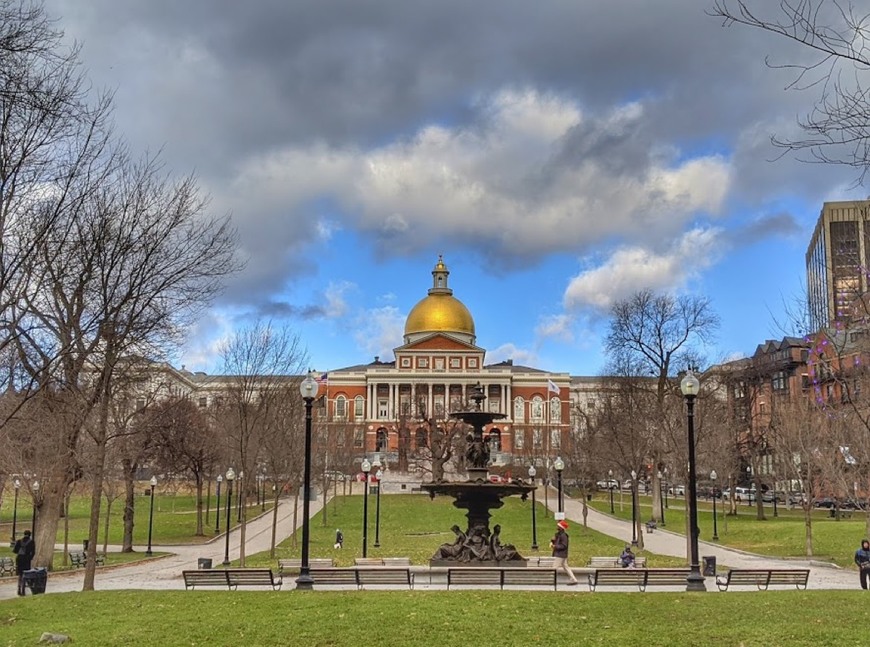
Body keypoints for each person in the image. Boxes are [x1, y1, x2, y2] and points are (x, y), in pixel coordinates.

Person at [549, 520, 578, 585]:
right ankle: (573, 579)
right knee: (565, 566)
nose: (557, 526)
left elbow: (564, 545)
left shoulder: (564, 536)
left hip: (560, 555)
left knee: (554, 567)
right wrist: (552, 541)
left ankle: (551, 580)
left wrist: (555, 546)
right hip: (561, 554)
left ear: (561, 527)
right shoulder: (559, 535)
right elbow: (557, 542)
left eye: (558, 526)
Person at [13, 529, 36, 597]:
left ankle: (19, 587)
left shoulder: (19, 541)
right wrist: (30, 558)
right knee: (25, 573)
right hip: (26, 559)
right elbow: (33, 552)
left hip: (19, 558)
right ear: (30, 535)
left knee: (20, 574)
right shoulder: (31, 542)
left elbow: (15, 551)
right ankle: (23, 588)